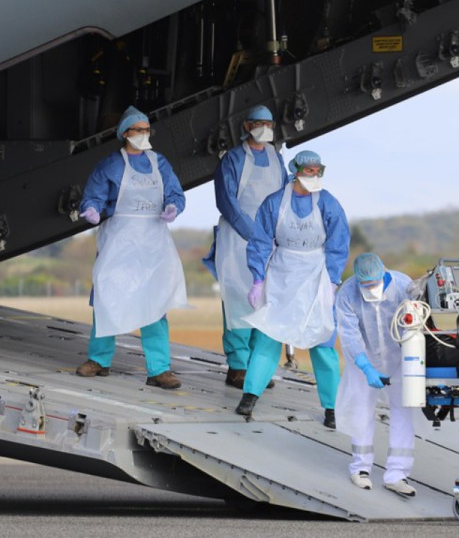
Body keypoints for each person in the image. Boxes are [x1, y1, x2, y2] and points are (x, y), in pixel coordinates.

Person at [74, 105, 188, 389]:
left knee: (155, 301)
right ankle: (99, 360)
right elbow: (94, 196)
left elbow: (174, 191)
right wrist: (91, 209)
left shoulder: (159, 163)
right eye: (139, 130)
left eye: (147, 130)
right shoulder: (111, 165)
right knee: (107, 297)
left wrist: (174, 206)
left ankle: (159, 369)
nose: (144, 135)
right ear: (125, 133)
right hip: (120, 240)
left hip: (153, 242)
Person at [235, 150, 349, 426]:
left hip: (316, 275)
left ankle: (332, 408)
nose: (314, 175)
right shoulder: (274, 203)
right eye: (308, 170)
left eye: (317, 170)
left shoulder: (329, 203)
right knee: (269, 335)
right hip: (282, 273)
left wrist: (333, 280)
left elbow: (338, 244)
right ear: (295, 170)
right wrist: (258, 279)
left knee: (321, 341)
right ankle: (250, 395)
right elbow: (261, 243)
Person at [203, 105, 288, 391]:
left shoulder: (278, 159)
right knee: (239, 299)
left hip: (270, 241)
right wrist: (253, 234)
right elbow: (226, 202)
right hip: (238, 240)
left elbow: (284, 199)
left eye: (269, 123)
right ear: (246, 126)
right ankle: (238, 366)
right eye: (259, 123)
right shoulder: (232, 160)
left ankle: (258, 366)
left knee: (265, 300)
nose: (265, 128)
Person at [334, 253, 418, 498]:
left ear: (384, 273)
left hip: (398, 357)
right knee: (361, 408)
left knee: (403, 412)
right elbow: (349, 335)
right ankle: (360, 468)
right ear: (358, 281)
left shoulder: (404, 286)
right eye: (365, 285)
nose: (370, 289)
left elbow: (417, 322)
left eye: (374, 284)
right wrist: (366, 366)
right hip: (365, 359)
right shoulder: (347, 293)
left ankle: (398, 473)